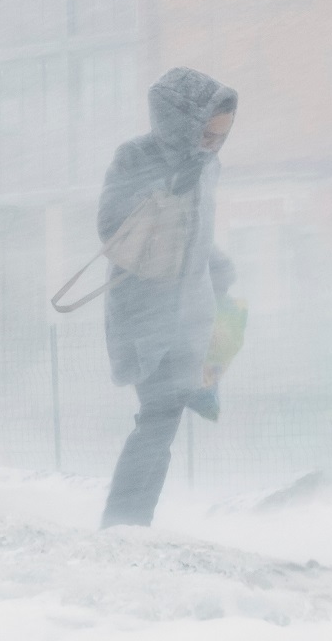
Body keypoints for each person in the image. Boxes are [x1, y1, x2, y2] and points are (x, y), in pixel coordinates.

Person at [98, 66, 238, 528]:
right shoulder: (134, 157)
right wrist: (166, 187)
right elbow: (113, 230)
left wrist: (217, 266)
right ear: (182, 122)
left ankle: (128, 523)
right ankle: (124, 524)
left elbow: (195, 236)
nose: (213, 144)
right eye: (206, 133)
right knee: (158, 419)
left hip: (189, 315)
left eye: (221, 136)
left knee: (162, 421)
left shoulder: (207, 167)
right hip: (145, 317)